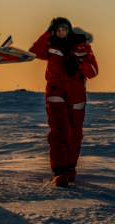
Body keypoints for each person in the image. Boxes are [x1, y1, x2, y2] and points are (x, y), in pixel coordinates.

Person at [30, 17, 98, 187]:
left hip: (77, 93)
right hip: (56, 91)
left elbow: (94, 71)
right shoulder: (50, 46)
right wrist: (47, 32)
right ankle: (59, 171)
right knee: (59, 131)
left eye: (63, 30)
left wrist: (78, 64)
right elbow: (34, 51)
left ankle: (70, 168)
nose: (61, 33)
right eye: (57, 30)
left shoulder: (84, 47)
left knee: (75, 133)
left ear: (69, 30)